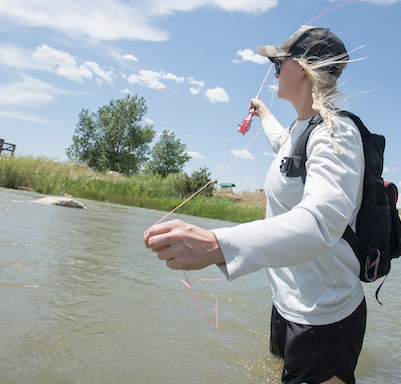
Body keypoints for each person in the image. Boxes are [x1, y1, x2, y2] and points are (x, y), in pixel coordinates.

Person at [144, 25, 365, 384]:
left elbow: (321, 224)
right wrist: (263, 113)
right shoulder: (301, 130)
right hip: (288, 303)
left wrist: (216, 245)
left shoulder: (334, 133)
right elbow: (283, 144)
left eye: (279, 62)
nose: (274, 71)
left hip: (325, 316)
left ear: (305, 68)